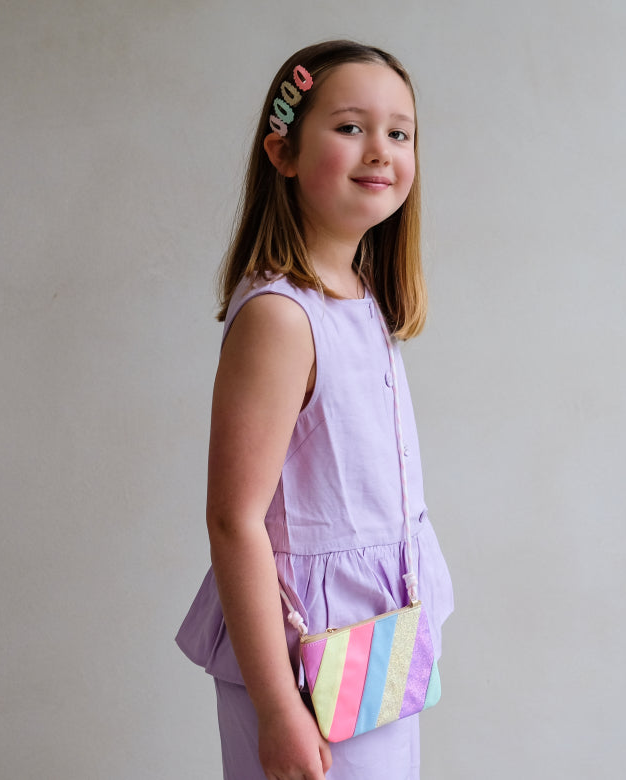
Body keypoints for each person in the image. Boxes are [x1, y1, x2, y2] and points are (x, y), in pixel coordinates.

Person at [176, 40, 454, 779]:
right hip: (303, 664)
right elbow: (234, 520)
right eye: (350, 127)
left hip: (373, 651)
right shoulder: (281, 317)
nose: (380, 149)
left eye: (400, 132)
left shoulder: (362, 300)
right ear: (284, 151)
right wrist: (277, 708)